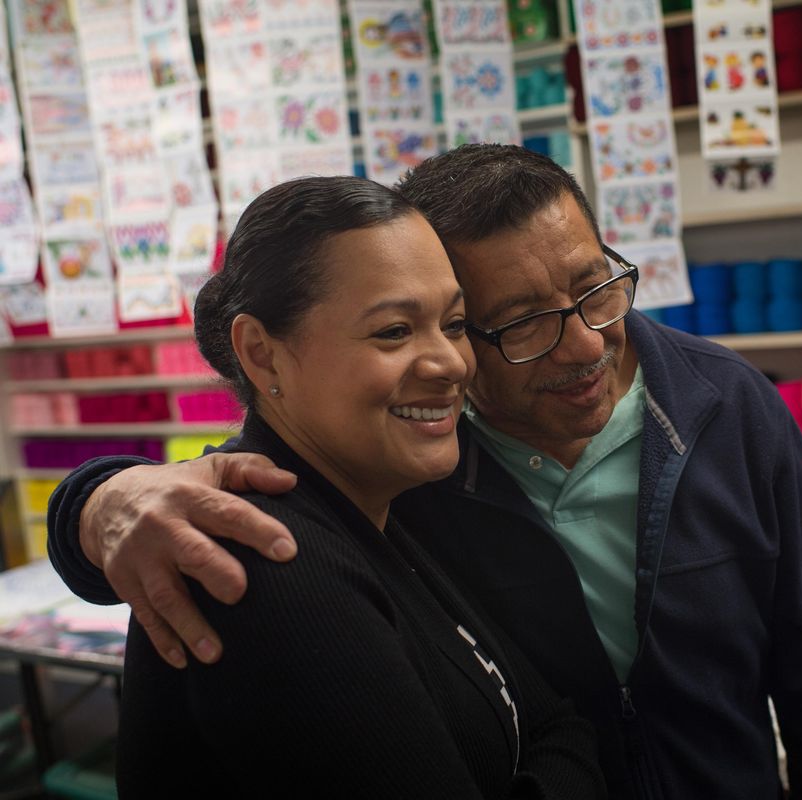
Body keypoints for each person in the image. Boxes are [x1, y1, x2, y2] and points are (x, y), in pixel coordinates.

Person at [48, 145, 802, 799]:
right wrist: (97, 499)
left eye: (595, 287)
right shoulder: (412, 463)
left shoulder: (725, 406)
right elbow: (247, 484)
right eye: (519, 323)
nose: (588, 344)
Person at [114, 176, 604, 797]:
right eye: (394, 332)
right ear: (262, 355)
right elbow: (559, 737)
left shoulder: (371, 506)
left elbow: (558, 722)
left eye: (454, 324)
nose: (450, 363)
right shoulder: (267, 561)